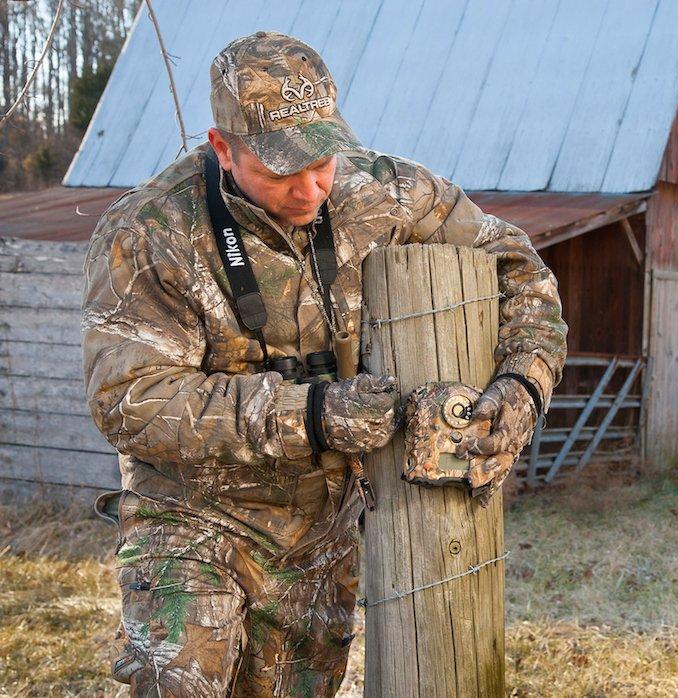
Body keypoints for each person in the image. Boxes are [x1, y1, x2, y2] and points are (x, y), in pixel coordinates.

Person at [82, 31, 567, 696]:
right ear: (223, 148)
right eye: (284, 169)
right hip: (191, 518)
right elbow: (128, 401)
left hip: (323, 532)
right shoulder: (149, 233)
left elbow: (517, 265)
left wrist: (522, 385)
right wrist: (309, 415)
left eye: (323, 161)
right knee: (178, 684)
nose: (311, 187)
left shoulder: (382, 192)